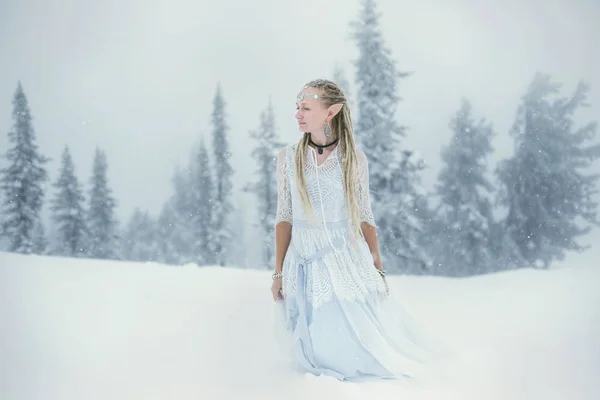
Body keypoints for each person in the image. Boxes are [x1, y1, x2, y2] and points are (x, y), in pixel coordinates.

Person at [270, 79, 436, 382]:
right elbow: (284, 216)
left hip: (340, 259)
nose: (298, 114)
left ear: (331, 111)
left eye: (306, 108)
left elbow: (365, 217)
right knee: (312, 354)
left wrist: (379, 269)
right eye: (297, 108)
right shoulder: (287, 158)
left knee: (348, 354)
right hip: (302, 259)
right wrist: (278, 272)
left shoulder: (353, 160)